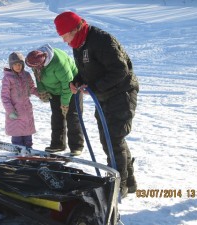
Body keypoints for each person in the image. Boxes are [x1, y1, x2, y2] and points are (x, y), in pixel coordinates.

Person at [54, 12, 139, 198]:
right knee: (108, 138)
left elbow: (120, 70)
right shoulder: (78, 43)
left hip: (122, 92)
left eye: (65, 35)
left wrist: (93, 87)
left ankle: (120, 185)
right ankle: (129, 182)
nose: (64, 41)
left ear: (75, 29)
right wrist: (77, 81)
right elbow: (86, 70)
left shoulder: (101, 40)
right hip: (103, 95)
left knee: (113, 138)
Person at [25, 43, 84, 156]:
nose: (33, 69)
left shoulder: (59, 63)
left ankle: (76, 146)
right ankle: (58, 144)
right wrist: (42, 91)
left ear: (43, 62)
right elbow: (39, 78)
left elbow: (68, 84)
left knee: (72, 116)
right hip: (54, 90)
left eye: (34, 67)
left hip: (72, 88)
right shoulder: (36, 62)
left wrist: (65, 103)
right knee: (57, 117)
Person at [1, 52, 39, 147]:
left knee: (28, 136)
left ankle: (29, 152)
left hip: (26, 111)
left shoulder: (26, 75)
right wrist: (10, 111)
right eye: (15, 64)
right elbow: (5, 97)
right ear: (11, 65)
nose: (18, 66)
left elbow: (32, 88)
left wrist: (41, 95)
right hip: (15, 113)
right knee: (17, 137)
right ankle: (18, 153)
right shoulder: (8, 78)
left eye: (20, 64)